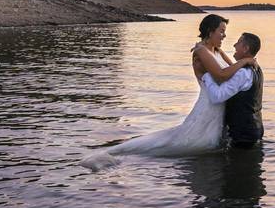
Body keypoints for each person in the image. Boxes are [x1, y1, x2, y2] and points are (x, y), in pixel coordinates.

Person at [80, 14, 256, 171]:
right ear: (211, 31)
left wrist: (244, 62)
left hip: (218, 106)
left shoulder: (216, 50)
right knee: (191, 143)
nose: (224, 35)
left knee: (209, 143)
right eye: (221, 31)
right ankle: (122, 156)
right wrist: (247, 60)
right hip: (209, 104)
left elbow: (231, 66)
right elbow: (222, 74)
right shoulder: (201, 51)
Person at [201, 32, 264, 149]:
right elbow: (230, 67)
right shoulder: (255, 68)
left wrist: (206, 76)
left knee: (237, 165)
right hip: (255, 129)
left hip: (242, 135)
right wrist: (217, 51)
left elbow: (217, 97)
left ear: (245, 48)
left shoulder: (242, 73)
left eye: (238, 42)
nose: (234, 45)